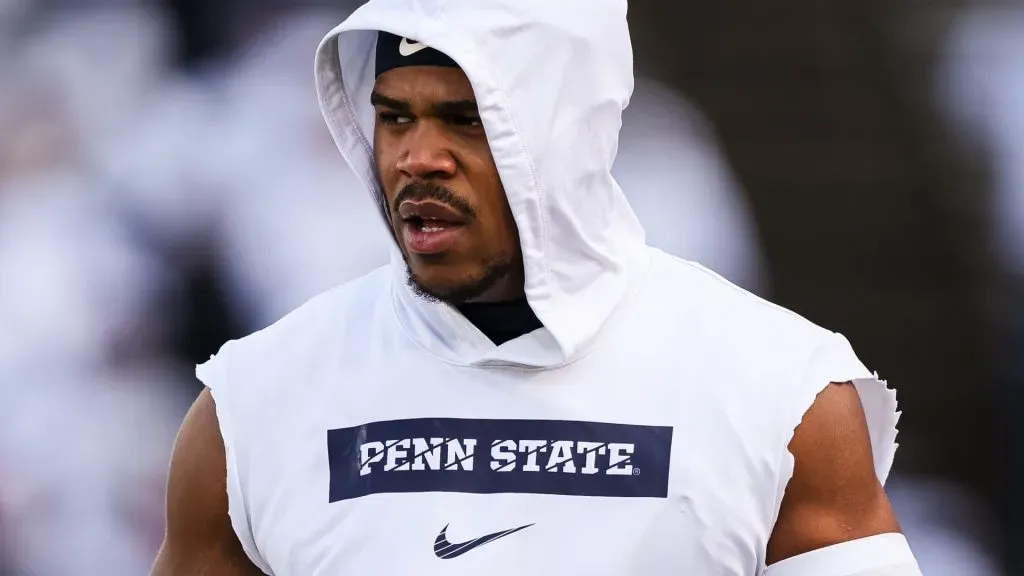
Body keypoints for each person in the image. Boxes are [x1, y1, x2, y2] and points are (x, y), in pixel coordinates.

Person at [151, 1, 922, 574]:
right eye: (395, 117)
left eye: (464, 120)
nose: (417, 157)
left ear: (566, 130)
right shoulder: (254, 405)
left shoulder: (781, 392)